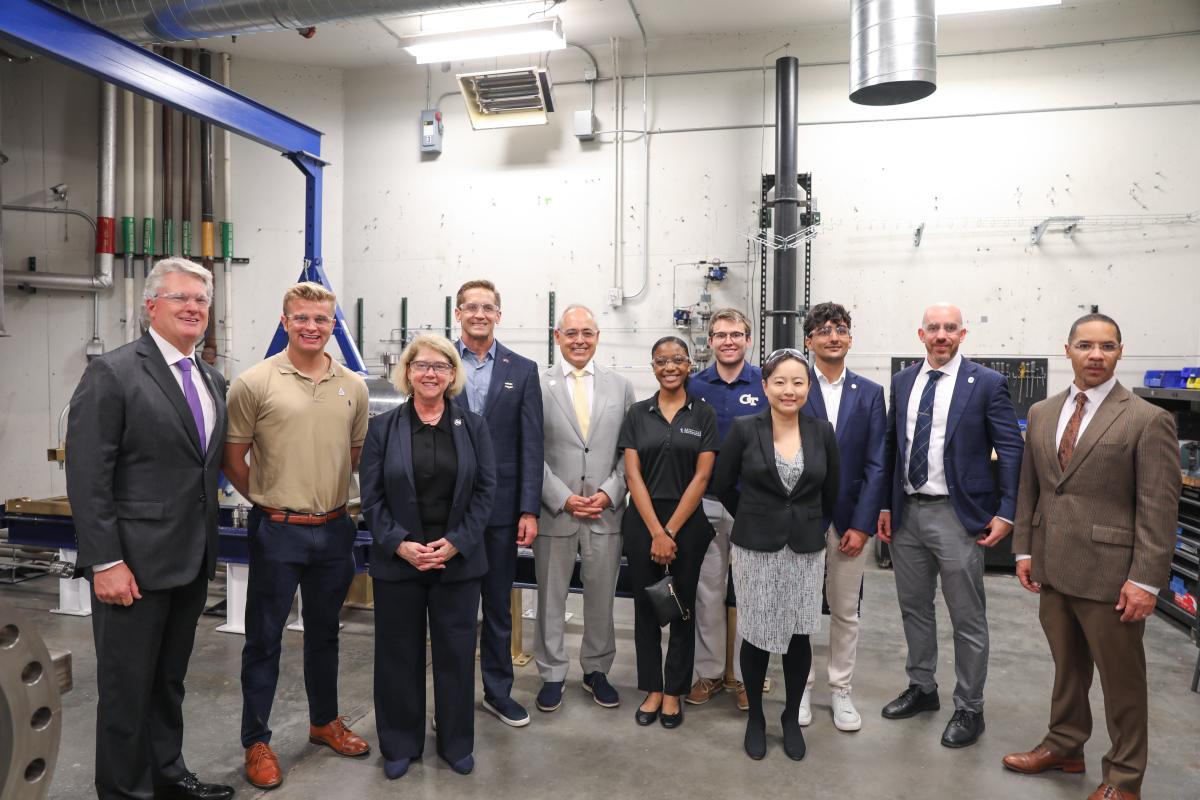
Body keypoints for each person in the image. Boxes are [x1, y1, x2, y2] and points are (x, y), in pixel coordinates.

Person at [66, 258, 233, 800]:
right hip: (132, 566)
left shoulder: (210, 377)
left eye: (201, 300)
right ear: (151, 306)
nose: (193, 308)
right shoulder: (113, 372)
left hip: (189, 560)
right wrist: (105, 560)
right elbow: (88, 475)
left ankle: (167, 775)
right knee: (125, 688)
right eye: (181, 297)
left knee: (167, 682)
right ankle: (123, 791)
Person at [1003, 314, 1179, 800]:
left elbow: (1158, 507)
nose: (1095, 354)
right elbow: (1030, 488)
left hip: (1112, 574)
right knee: (1068, 668)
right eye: (1085, 345)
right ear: (1068, 350)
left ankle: (1124, 779)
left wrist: (1145, 580)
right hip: (1054, 566)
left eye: (1106, 346)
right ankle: (1064, 745)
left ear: (1121, 351)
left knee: (1122, 682)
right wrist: (1023, 548)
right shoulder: (1042, 411)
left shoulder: (1147, 419)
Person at [222, 282, 371, 790]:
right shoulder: (254, 382)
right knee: (263, 640)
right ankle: (256, 741)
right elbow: (233, 458)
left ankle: (323, 721)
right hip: (278, 532)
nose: (312, 327)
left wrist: (324, 497)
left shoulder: (353, 384)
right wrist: (268, 498)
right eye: (302, 318)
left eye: (322, 320)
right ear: (285, 321)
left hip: (334, 530)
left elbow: (353, 456)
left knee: (326, 635)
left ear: (334, 325)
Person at [877, 302, 1024, 749]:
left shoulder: (987, 384)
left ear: (963, 335)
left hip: (958, 516)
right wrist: (886, 506)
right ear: (920, 334)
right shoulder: (903, 381)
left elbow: (1011, 450)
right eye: (933, 328)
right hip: (907, 513)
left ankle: (969, 707)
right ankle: (922, 688)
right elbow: (891, 446)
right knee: (914, 608)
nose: (941, 335)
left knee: (967, 617)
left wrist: (1006, 512)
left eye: (950, 328)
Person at [359, 334, 496, 779]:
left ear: (453, 375)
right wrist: (400, 543)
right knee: (398, 655)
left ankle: (457, 743)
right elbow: (372, 498)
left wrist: (457, 541)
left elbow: (485, 492)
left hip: (457, 562)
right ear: (408, 372)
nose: (431, 373)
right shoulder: (383, 428)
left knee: (456, 656)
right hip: (400, 562)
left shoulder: (473, 427)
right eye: (421, 366)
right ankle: (400, 743)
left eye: (440, 366)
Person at [712, 348, 839, 761]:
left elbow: (831, 490)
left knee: (800, 631)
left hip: (805, 548)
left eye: (798, 382)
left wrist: (811, 524)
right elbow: (724, 482)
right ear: (764, 386)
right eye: (780, 381)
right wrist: (754, 517)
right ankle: (756, 720)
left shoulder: (822, 432)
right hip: (755, 549)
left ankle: (788, 717)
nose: (789, 390)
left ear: (808, 387)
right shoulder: (745, 429)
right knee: (757, 631)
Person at [533, 305, 636, 712]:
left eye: (587, 333)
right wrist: (560, 496)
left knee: (601, 598)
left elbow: (630, 450)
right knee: (550, 599)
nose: (579, 340)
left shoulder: (620, 386)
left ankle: (596, 669)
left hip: (605, 512)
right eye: (571, 333)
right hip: (554, 511)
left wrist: (611, 492)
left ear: (598, 337)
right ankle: (552, 673)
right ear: (557, 336)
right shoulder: (537, 384)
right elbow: (530, 450)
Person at [451, 279, 544, 727]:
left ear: (499, 315)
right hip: (447, 513)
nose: (479, 314)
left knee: (497, 609)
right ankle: (452, 699)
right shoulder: (440, 365)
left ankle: (498, 692)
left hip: (503, 513)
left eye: (488, 307)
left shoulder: (522, 370)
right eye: (471, 307)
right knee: (455, 612)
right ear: (458, 313)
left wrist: (529, 508)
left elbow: (532, 444)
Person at [619, 336, 718, 729]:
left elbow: (703, 475)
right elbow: (632, 475)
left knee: (681, 608)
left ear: (689, 364)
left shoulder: (703, 414)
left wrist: (671, 531)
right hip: (643, 522)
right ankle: (652, 689)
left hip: (687, 523)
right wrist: (656, 532)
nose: (671, 366)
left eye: (678, 359)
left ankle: (675, 690)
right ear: (653, 366)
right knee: (645, 607)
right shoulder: (637, 413)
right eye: (662, 360)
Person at [799, 303, 886, 732]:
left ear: (850, 339)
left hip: (850, 521)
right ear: (809, 340)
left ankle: (840, 690)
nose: (834, 335)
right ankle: (801, 686)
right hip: (802, 519)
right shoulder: (794, 386)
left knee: (846, 612)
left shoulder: (870, 393)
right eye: (824, 329)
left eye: (841, 329)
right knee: (801, 609)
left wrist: (863, 524)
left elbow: (876, 464)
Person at [687, 308, 767, 711]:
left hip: (752, 505)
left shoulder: (766, 384)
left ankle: (748, 677)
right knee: (708, 593)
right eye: (720, 335)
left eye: (736, 334)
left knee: (751, 594)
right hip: (706, 503)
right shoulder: (694, 385)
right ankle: (710, 673)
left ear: (747, 339)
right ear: (711, 341)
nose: (729, 341)